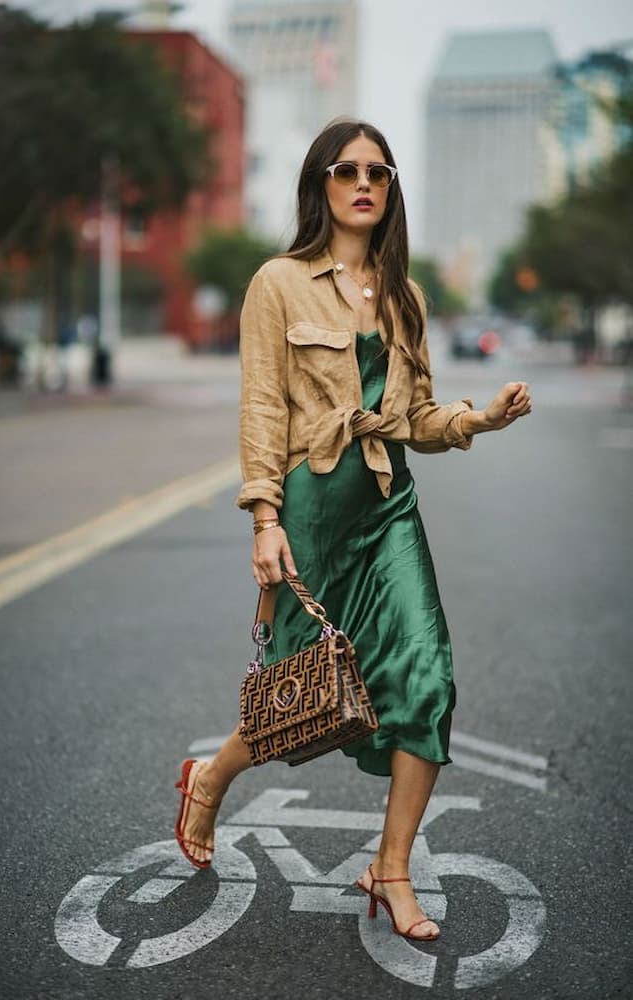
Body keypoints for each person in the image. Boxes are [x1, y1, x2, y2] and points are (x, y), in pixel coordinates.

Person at [174, 118, 531, 941]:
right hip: (309, 511)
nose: (363, 182)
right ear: (321, 185)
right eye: (346, 170)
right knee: (297, 697)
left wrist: (480, 417)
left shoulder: (405, 298)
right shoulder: (278, 283)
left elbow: (410, 417)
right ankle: (210, 777)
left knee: (427, 679)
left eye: (378, 171)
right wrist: (264, 519)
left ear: (391, 188)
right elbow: (263, 406)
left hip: (385, 508)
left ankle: (391, 868)